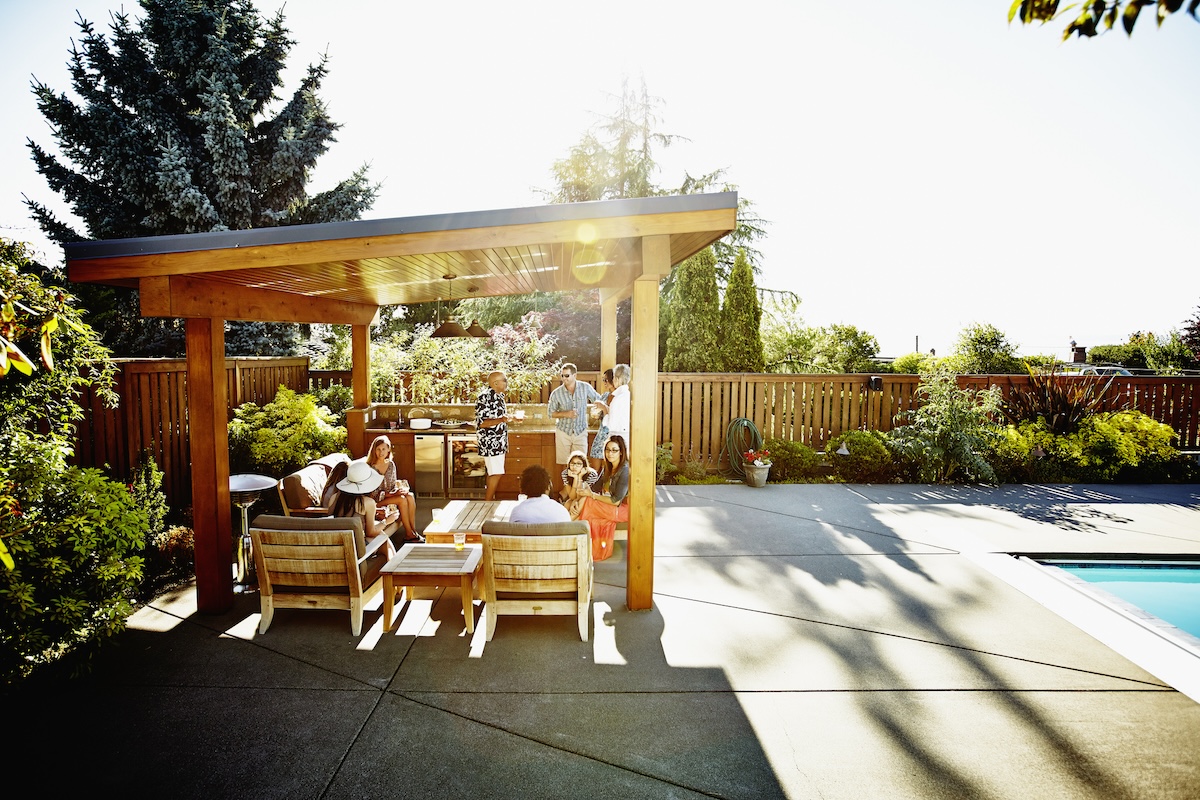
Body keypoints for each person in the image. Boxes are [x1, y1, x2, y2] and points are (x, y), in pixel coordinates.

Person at [576, 434, 630, 561]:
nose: (610, 453)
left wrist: (590, 496)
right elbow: (594, 488)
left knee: (588, 502)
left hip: (622, 510)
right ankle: (591, 549)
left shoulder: (625, 471)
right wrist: (580, 484)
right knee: (589, 508)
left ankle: (569, 525)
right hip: (608, 506)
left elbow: (616, 501)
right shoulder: (608, 467)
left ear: (621, 452)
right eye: (607, 450)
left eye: (614, 450)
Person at [547, 362, 601, 488]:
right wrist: (567, 414)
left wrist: (596, 410)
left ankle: (579, 492)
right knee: (564, 464)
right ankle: (566, 491)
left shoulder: (585, 387)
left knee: (581, 464)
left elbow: (598, 400)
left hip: (580, 431)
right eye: (562, 376)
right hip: (563, 432)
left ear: (575, 375)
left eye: (567, 376)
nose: (564, 379)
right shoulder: (557, 393)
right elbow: (550, 414)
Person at [365, 434, 420, 542]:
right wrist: (390, 494)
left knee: (410, 496)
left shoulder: (390, 464)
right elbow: (371, 492)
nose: (381, 452)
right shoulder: (370, 467)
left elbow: (393, 484)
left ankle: (413, 531)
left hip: (390, 496)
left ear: (388, 450)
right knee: (402, 499)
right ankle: (409, 533)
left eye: (383, 449)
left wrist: (398, 490)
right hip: (376, 501)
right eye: (378, 449)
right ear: (374, 450)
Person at [331, 459, 398, 540]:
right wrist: (387, 521)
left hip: (335, 542)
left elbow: (332, 523)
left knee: (381, 534)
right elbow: (370, 533)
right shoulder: (368, 502)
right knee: (382, 536)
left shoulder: (334, 497)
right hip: (357, 546)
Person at [476, 370, 514, 501]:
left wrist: (511, 418)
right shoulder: (485, 397)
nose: (506, 382)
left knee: (494, 472)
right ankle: (487, 503)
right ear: (495, 383)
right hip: (490, 441)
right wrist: (502, 420)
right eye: (504, 380)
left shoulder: (499, 396)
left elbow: (500, 418)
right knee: (496, 473)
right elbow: (482, 423)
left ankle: (489, 501)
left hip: (499, 441)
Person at [558, 449, 599, 519]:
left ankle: (569, 522)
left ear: (584, 466)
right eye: (572, 463)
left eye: (578, 464)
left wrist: (580, 477)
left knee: (580, 501)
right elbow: (572, 497)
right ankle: (562, 522)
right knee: (568, 503)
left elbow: (583, 493)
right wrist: (575, 479)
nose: (574, 467)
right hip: (576, 497)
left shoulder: (591, 474)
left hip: (590, 498)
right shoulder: (565, 473)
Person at [587, 368, 615, 471]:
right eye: (603, 380)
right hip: (601, 432)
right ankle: (594, 484)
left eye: (606, 380)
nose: (604, 382)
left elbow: (616, 417)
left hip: (612, 434)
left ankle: (606, 486)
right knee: (594, 463)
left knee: (610, 467)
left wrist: (603, 407)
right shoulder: (605, 396)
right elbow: (599, 412)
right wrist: (597, 412)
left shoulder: (620, 398)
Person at [605, 363, 631, 454]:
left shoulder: (618, 398)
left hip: (618, 437)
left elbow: (610, 424)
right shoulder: (628, 395)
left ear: (617, 379)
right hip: (626, 434)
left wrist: (605, 410)